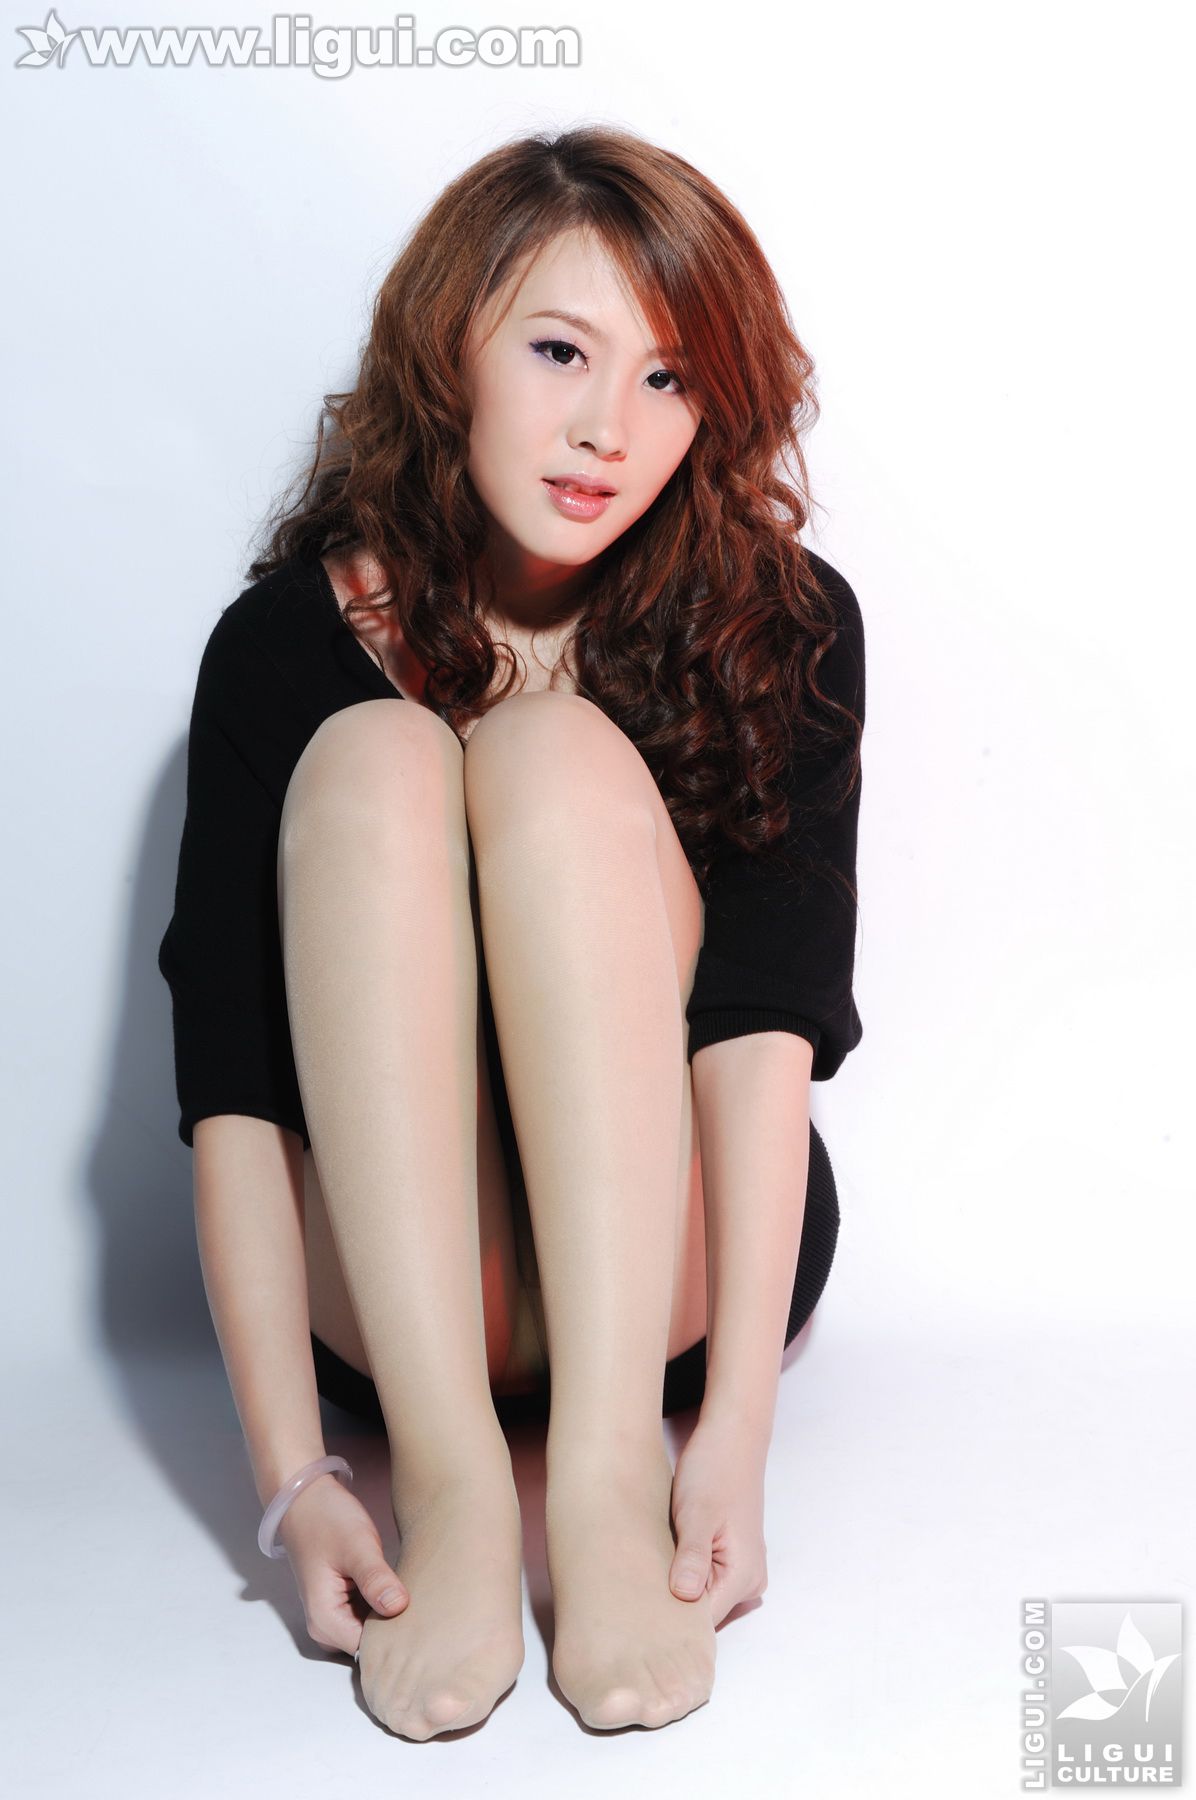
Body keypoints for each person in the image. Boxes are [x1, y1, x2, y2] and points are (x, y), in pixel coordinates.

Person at [158, 123, 865, 1740]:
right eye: (561, 351)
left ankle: (601, 1475)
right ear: (450, 346)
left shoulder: (782, 621)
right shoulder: (278, 647)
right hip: (409, 1305)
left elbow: (766, 1029)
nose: (611, 427)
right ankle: (461, 1487)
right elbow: (236, 1092)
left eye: (671, 380)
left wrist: (730, 1438)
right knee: (377, 753)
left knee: (548, 752)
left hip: (673, 1278)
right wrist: (294, 1482)